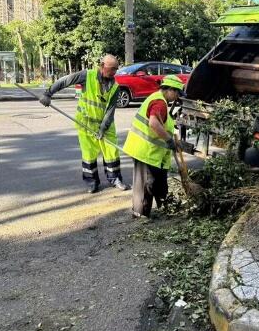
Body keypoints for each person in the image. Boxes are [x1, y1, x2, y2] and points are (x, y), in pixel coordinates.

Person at [39, 54, 129, 193]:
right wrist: (48, 93)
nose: (114, 72)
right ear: (102, 66)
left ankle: (115, 179)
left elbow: (110, 110)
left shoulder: (115, 86)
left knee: (112, 152)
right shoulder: (87, 75)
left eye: (116, 69)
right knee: (89, 154)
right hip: (86, 123)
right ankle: (92, 182)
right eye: (111, 69)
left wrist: (103, 128)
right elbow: (65, 81)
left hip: (106, 124)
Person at [123, 75, 185, 218]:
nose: (176, 97)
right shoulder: (159, 103)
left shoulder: (158, 99)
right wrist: (169, 140)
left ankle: (164, 205)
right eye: (177, 93)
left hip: (150, 152)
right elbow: (153, 123)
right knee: (146, 185)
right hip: (146, 151)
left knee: (157, 181)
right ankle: (140, 214)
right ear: (170, 89)